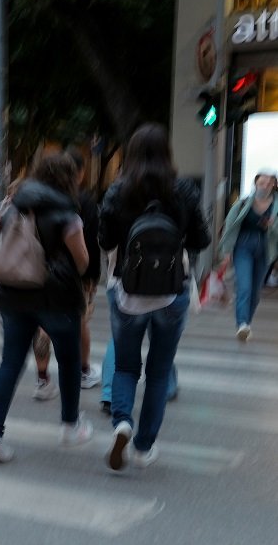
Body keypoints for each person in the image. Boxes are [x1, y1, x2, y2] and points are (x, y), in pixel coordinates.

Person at [99, 123, 210, 471]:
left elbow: (104, 240)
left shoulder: (119, 190)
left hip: (127, 292)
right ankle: (144, 446)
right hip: (171, 293)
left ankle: (122, 423)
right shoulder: (184, 189)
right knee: (159, 372)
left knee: (126, 366)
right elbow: (202, 239)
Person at [0, 152, 92, 462]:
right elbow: (82, 261)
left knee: (10, 363)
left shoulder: (14, 205)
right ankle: (70, 426)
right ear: (69, 178)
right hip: (56, 299)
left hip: (13, 294)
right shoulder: (67, 213)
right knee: (68, 361)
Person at [30, 148, 103, 400]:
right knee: (78, 322)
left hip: (38, 273)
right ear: (78, 173)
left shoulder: (34, 201)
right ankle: (83, 371)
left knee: (42, 325)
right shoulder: (82, 202)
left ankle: (42, 380)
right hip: (73, 276)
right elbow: (89, 245)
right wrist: (89, 276)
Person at [217, 168, 278, 342]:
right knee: (244, 286)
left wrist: (272, 226)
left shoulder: (276, 206)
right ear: (256, 183)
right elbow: (230, 225)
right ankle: (242, 324)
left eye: (269, 183)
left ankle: (247, 323)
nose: (265, 185)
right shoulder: (243, 203)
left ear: (274, 185)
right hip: (243, 247)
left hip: (266, 249)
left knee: (256, 291)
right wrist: (227, 252)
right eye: (262, 182)